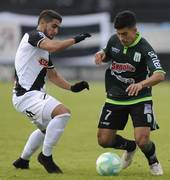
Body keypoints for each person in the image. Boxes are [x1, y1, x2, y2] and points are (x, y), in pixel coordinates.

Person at [12, 9, 91, 173]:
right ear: (42, 23)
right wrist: (75, 39)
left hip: (27, 97)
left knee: (46, 130)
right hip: (27, 95)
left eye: (58, 28)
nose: (55, 31)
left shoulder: (44, 50)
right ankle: (45, 157)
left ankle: (22, 160)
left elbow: (53, 75)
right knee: (63, 113)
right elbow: (55, 47)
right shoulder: (33, 36)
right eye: (53, 26)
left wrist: (72, 88)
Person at [95, 10, 165, 176]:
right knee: (104, 141)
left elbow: (160, 74)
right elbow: (108, 53)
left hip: (140, 98)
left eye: (125, 34)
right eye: (118, 34)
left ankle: (153, 160)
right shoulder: (114, 40)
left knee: (143, 140)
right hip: (115, 96)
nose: (121, 38)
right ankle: (129, 146)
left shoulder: (145, 48)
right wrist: (102, 55)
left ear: (135, 30)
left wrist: (141, 84)